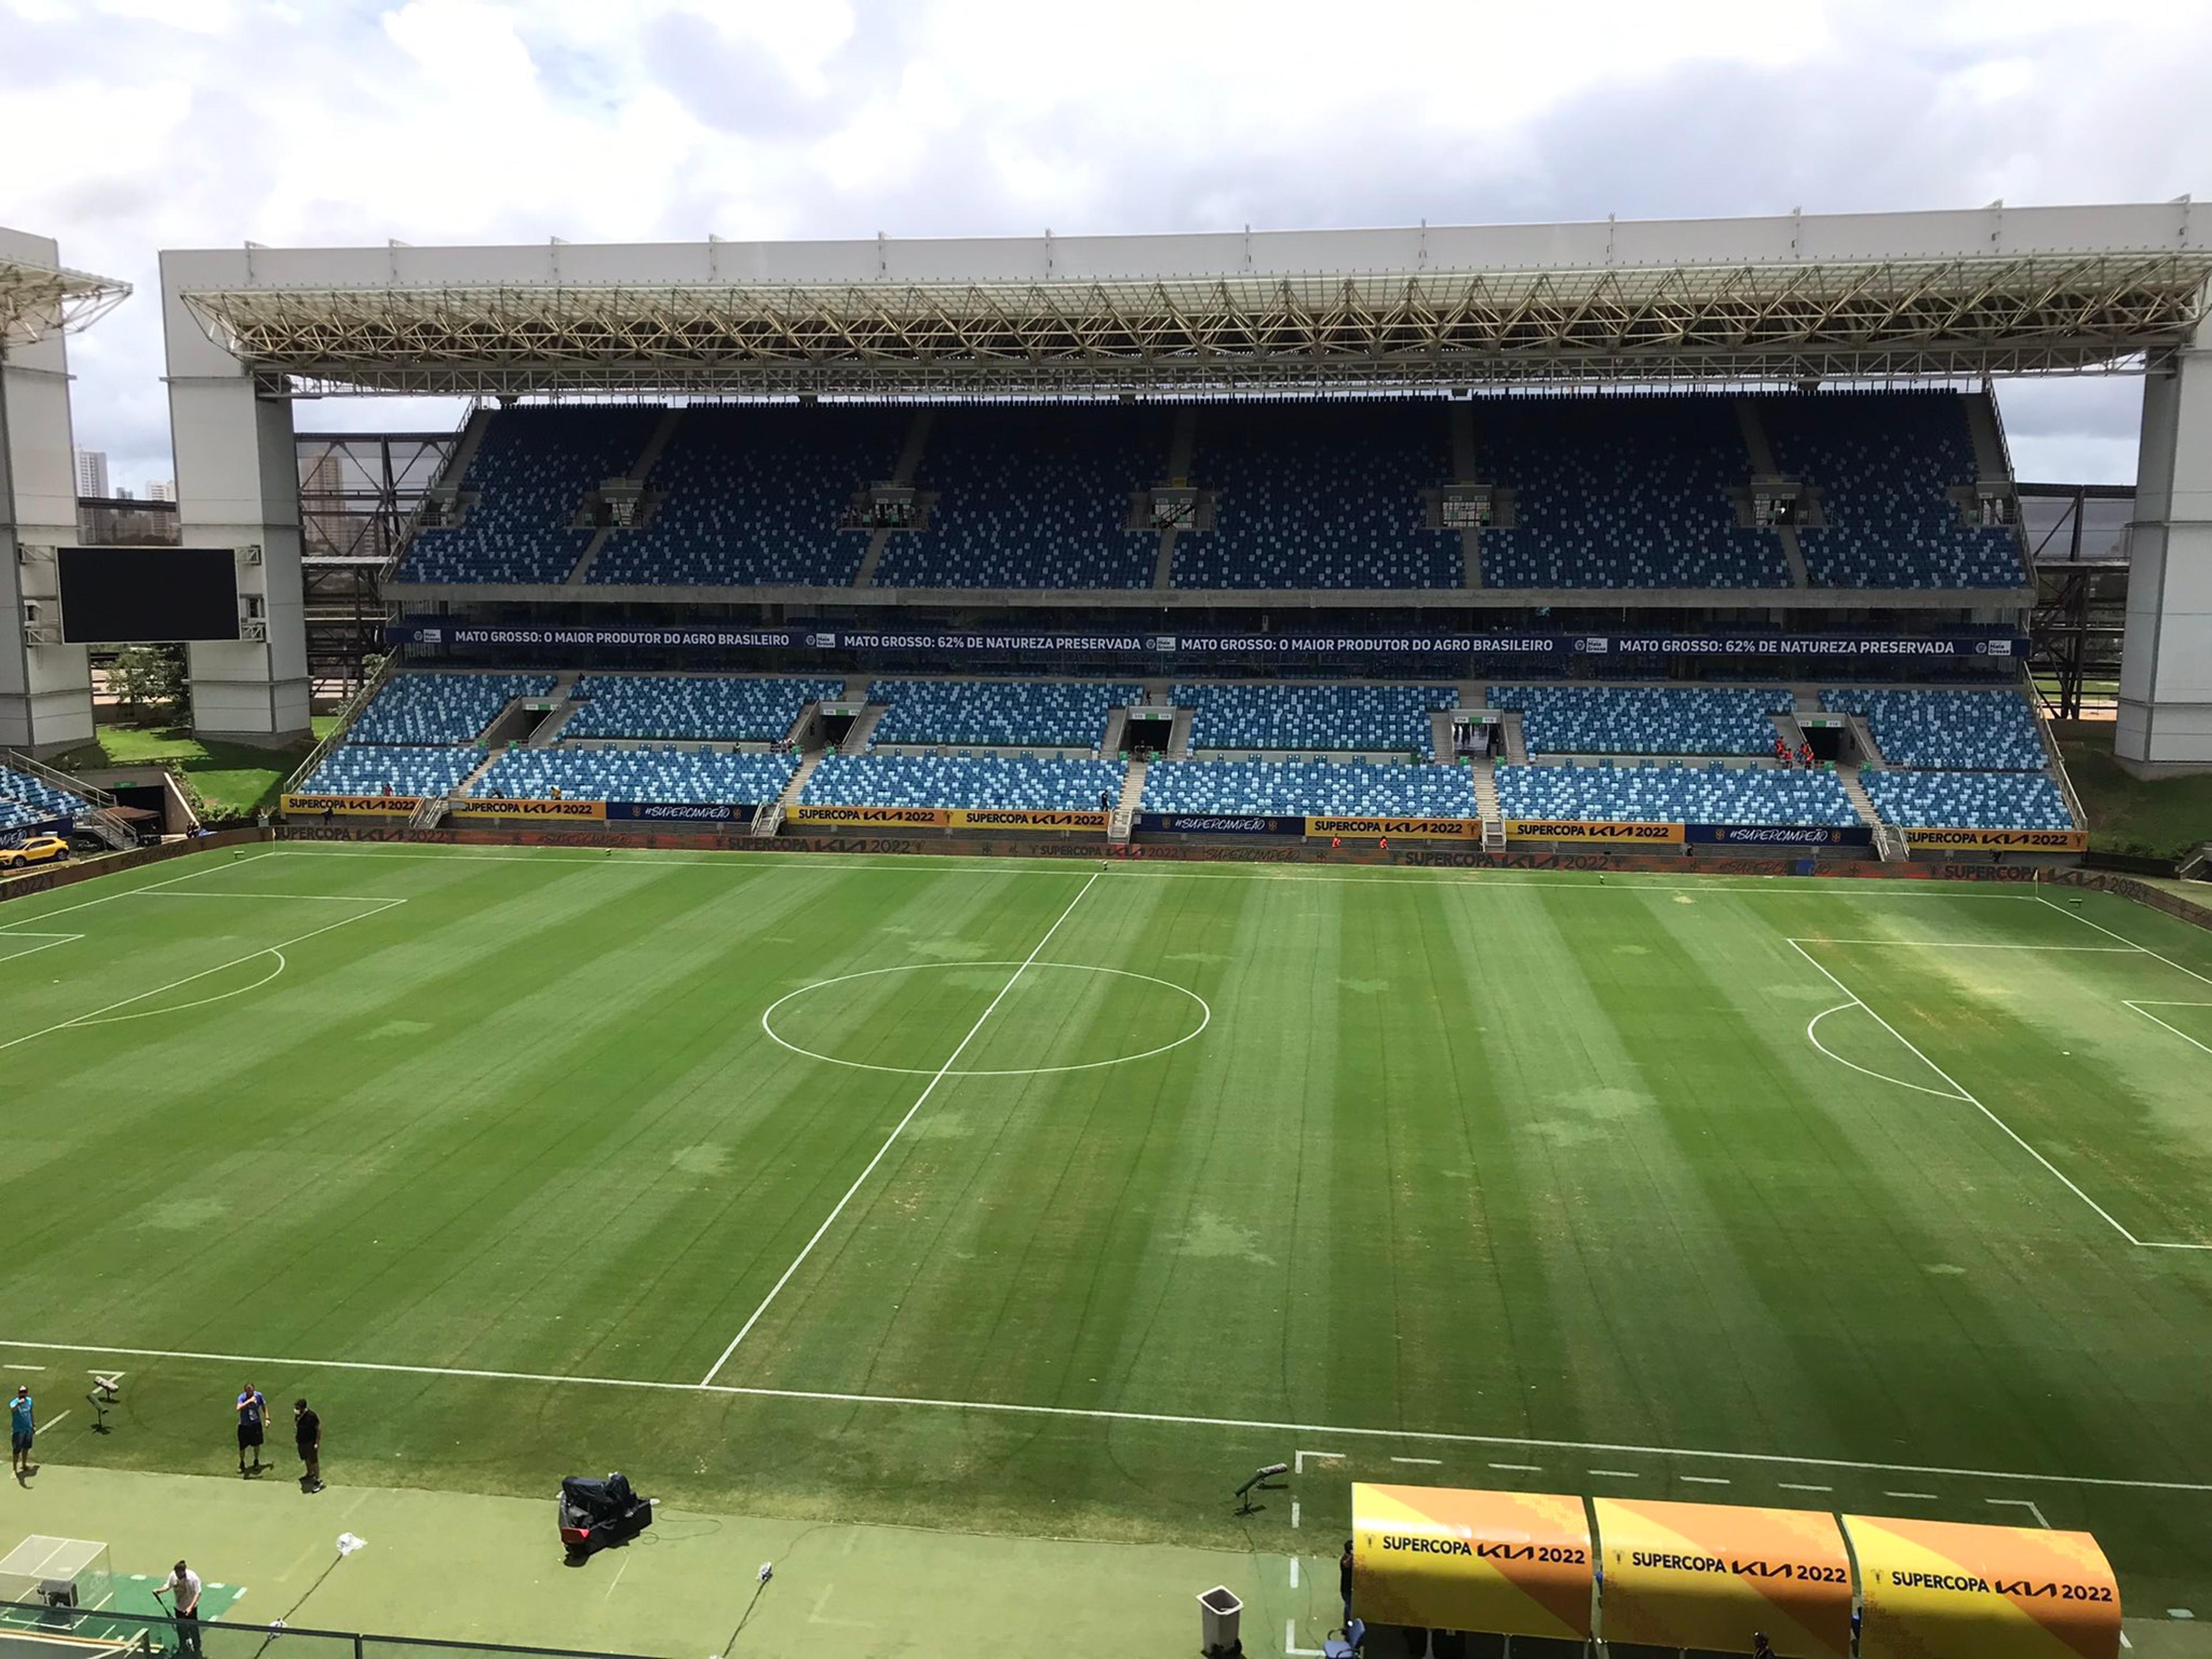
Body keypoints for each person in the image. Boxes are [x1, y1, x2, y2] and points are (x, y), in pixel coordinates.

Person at [156, 1561, 202, 1658]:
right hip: (179, 1607)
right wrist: (160, 1591)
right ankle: (183, 1648)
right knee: (181, 1629)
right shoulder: (173, 1576)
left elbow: (198, 1593)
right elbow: (168, 1586)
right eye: (176, 1573)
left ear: (183, 1571)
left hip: (191, 1608)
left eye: (179, 1573)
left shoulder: (192, 1579)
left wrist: (190, 1607)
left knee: (193, 1629)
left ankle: (197, 1650)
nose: (177, 1575)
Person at [236, 1382, 268, 1476]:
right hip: (244, 1425)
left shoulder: (258, 1396)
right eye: (248, 1391)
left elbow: (264, 1406)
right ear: (245, 1391)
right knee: (242, 1447)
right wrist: (248, 1402)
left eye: (252, 1391)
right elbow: (238, 1408)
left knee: (257, 1444)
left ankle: (256, 1461)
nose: (251, 1393)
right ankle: (242, 1462)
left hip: (255, 1424)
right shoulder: (242, 1398)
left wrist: (267, 1418)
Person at [294, 1398, 323, 1493]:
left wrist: (317, 1443)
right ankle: (310, 1473)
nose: (297, 1409)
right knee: (306, 1458)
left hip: (310, 1441)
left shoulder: (311, 1416)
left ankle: (318, 1480)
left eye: (298, 1407)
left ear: (304, 1408)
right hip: (302, 1441)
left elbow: (318, 1429)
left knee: (313, 1460)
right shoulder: (298, 1415)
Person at [9, 1386, 32, 1480]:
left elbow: (31, 1412)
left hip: (28, 1428)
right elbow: (12, 1410)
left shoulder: (29, 1401)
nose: (23, 1394)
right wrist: (18, 1404)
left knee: (26, 1447)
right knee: (16, 1450)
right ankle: (14, 1470)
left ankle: (24, 1465)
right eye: (21, 1392)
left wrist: (33, 1424)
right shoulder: (14, 1402)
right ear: (18, 1393)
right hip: (18, 1430)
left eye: (24, 1392)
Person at [1339, 1539, 1355, 1632]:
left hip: (1351, 1589)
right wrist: (1353, 1555)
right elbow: (1346, 1565)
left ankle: (1347, 1626)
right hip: (1346, 1590)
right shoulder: (1345, 1559)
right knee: (1349, 1609)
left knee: (1348, 1608)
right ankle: (1348, 1628)